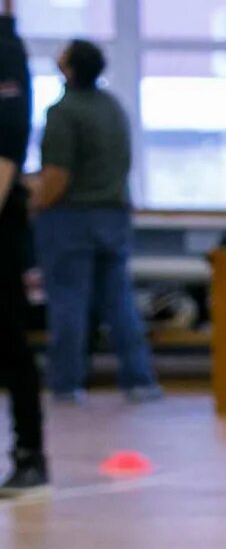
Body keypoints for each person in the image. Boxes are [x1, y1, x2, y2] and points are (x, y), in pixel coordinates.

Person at [28, 40, 162, 406]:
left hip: (70, 219)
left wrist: (34, 204)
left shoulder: (63, 112)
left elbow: (56, 176)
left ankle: (66, 385)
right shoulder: (112, 107)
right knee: (118, 300)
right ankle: (140, 380)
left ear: (68, 68)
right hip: (114, 214)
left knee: (69, 302)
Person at [0, 14, 43, 491]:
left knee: (10, 340)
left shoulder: (5, 49)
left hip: (4, 228)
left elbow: (7, 150)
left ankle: (30, 453)